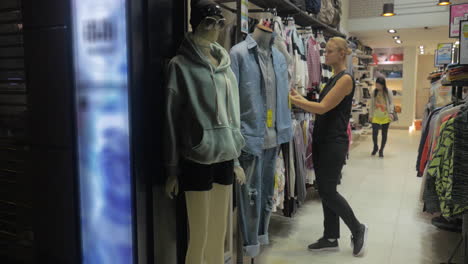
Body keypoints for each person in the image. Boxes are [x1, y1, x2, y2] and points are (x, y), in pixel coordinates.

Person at [289, 37, 368, 257]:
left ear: (342, 53)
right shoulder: (334, 78)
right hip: (324, 141)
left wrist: (294, 101)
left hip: (334, 143)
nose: (326, 54)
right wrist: (300, 97)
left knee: (329, 191)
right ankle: (331, 237)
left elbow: (322, 108)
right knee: (325, 191)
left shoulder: (345, 79)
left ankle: (357, 228)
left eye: (330, 51)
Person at [369, 77, 394, 158]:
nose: (377, 86)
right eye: (376, 84)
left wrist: (390, 112)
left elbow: (391, 103)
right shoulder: (374, 92)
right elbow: (372, 104)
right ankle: (375, 146)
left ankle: (381, 150)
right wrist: (370, 115)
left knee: (384, 134)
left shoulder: (388, 91)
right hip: (376, 115)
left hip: (386, 116)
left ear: (383, 85)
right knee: (374, 133)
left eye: (379, 84)